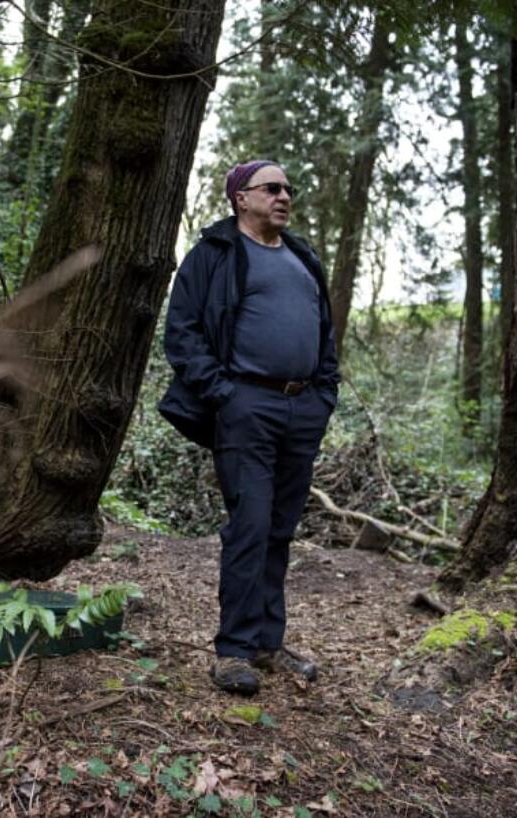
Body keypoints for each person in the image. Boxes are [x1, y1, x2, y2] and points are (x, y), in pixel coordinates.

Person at [158, 160, 340, 695]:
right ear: (241, 197)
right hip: (246, 406)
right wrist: (225, 394)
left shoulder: (304, 256)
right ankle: (233, 650)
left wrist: (324, 395)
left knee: (280, 529)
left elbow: (325, 334)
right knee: (251, 525)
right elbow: (182, 333)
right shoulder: (213, 255)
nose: (284, 196)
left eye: (288, 188)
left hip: (302, 409)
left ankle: (266, 642)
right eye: (272, 188)